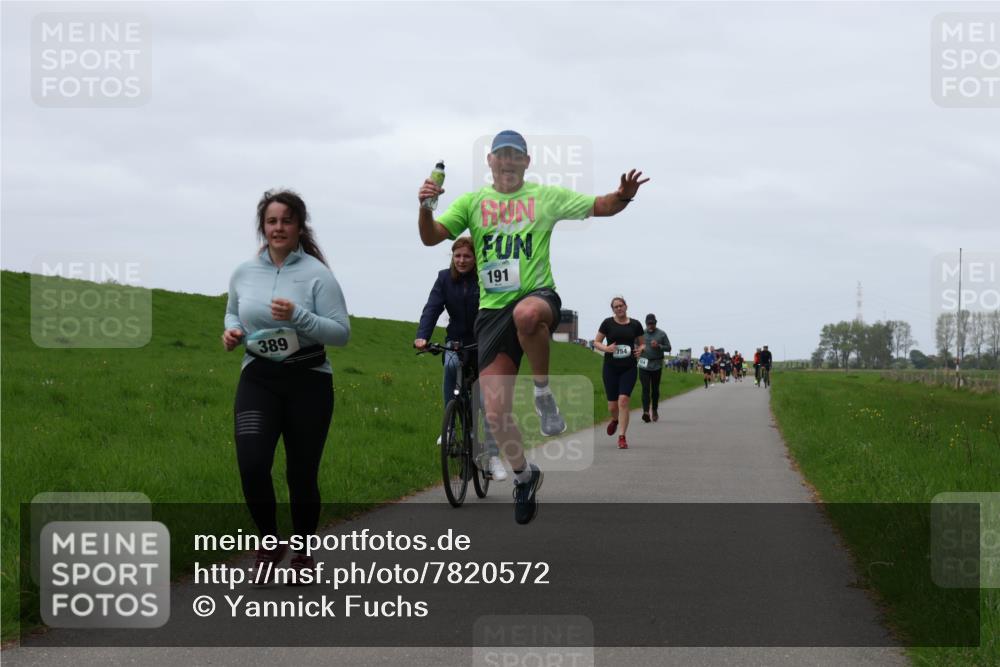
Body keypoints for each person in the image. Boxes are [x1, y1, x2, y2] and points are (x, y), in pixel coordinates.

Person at [417, 129, 648, 523]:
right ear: (489, 161)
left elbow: (601, 206)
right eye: (500, 156)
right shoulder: (473, 203)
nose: (507, 162)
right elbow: (430, 237)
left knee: (526, 314)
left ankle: (543, 393)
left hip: (538, 296)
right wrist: (425, 207)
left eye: (515, 156)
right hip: (490, 313)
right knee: (493, 414)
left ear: (526, 162)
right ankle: (525, 476)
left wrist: (623, 194)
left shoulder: (544, 196)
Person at [223, 189, 351, 583]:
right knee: (252, 462)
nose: (278, 228)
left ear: (299, 227)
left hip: (308, 380)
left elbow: (341, 333)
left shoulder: (317, 274)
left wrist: (300, 316)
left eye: (287, 221)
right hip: (259, 377)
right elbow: (233, 309)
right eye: (272, 221)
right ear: (263, 226)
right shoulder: (245, 271)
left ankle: (303, 552)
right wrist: (232, 331)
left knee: (301, 473)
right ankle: (268, 540)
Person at [414, 237, 506, 481]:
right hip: (457, 340)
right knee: (451, 364)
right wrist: (422, 336)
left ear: (475, 259)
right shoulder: (444, 278)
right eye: (458, 256)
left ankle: (493, 456)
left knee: (487, 401)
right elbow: (432, 308)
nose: (462, 260)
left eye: (467, 256)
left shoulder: (486, 278)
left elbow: (500, 308)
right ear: (452, 257)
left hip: (484, 343)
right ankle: (451, 428)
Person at [594, 297, 645, 449]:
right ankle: (615, 420)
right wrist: (606, 348)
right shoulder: (607, 323)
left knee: (623, 401)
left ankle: (622, 437)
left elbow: (643, 343)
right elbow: (596, 342)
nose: (618, 309)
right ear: (613, 309)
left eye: (620, 306)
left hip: (628, 367)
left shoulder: (635, 324)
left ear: (626, 306)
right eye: (615, 307)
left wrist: (641, 350)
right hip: (610, 368)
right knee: (612, 406)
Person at [637, 313, 671, 423]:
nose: (650, 326)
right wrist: (639, 349)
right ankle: (646, 412)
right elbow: (634, 345)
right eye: (648, 324)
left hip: (656, 365)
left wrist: (659, 346)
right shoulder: (641, 334)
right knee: (645, 388)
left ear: (655, 323)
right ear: (646, 323)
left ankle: (654, 410)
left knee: (655, 390)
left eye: (652, 324)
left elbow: (669, 348)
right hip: (643, 364)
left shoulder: (661, 334)